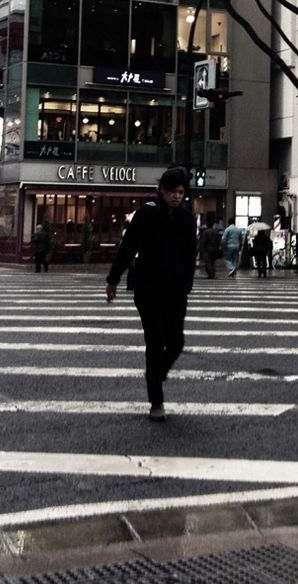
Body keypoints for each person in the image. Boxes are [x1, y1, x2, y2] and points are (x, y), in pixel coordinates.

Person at [105, 166, 197, 422]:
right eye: (172, 192)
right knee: (155, 342)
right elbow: (128, 247)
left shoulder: (187, 219)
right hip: (147, 288)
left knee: (176, 341)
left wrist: (186, 285)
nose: (177, 197)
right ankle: (156, 400)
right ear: (162, 191)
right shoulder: (146, 214)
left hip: (176, 289)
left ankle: (157, 372)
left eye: (181, 192)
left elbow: (191, 255)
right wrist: (113, 279)